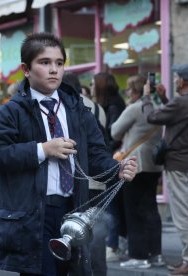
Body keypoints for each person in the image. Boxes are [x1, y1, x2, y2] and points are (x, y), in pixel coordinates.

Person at [0, 32, 138, 276]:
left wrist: (116, 169)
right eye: (44, 63)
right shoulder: (11, 111)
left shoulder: (77, 108)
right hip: (33, 214)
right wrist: (42, 150)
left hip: (73, 209)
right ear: (26, 69)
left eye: (59, 63)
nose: (53, 70)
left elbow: (96, 153)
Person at [142, 64, 188, 275]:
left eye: (176, 77)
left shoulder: (182, 102)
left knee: (182, 216)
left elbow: (152, 117)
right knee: (187, 211)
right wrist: (165, 99)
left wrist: (147, 97)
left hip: (178, 165)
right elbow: (178, 116)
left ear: (183, 81)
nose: (174, 80)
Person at [111, 74, 164, 269]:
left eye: (128, 90)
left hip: (136, 164)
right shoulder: (156, 108)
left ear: (135, 91)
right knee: (150, 209)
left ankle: (138, 256)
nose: (126, 93)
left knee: (134, 211)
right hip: (154, 164)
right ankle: (156, 254)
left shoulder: (134, 109)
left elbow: (114, 131)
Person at [62, 71, 108, 276]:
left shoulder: (65, 107)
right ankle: (96, 270)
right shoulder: (97, 108)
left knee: (71, 230)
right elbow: (103, 140)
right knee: (93, 231)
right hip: (98, 179)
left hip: (76, 178)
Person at [91, 72, 126, 262]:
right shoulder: (110, 105)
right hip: (110, 159)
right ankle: (114, 243)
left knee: (111, 204)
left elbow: (114, 135)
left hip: (112, 160)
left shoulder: (113, 106)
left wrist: (104, 156)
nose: (91, 87)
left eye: (93, 84)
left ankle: (113, 245)